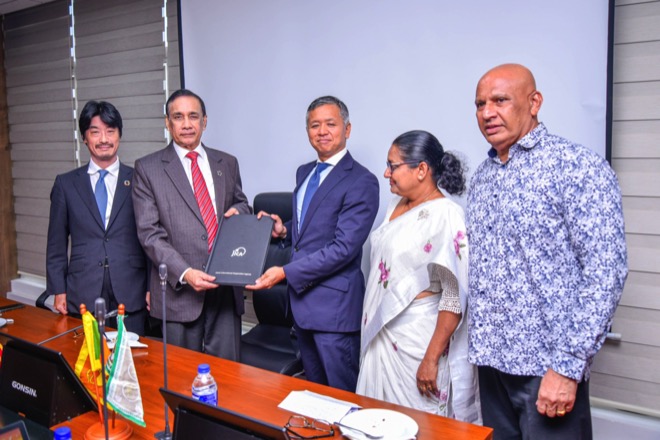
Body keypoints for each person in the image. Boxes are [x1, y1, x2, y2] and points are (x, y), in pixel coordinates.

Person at [467, 63, 628, 439]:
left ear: (534, 102)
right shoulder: (482, 178)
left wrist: (568, 367)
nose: (488, 112)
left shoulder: (577, 166)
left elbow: (606, 272)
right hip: (491, 367)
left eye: (500, 100)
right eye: (480, 104)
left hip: (549, 370)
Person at [247, 96, 379, 392]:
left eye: (330, 124)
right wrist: (284, 230)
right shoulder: (305, 172)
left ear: (347, 129)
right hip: (301, 306)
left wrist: (284, 272)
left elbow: (343, 249)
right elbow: (311, 227)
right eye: (315, 125)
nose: (322, 131)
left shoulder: (362, 181)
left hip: (334, 311)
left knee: (342, 396)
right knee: (315, 396)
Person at [355, 130, 481, 422]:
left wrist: (431, 359)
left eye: (393, 165)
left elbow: (453, 296)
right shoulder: (395, 205)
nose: (386, 173)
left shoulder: (446, 215)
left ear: (421, 169)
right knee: (373, 422)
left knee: (415, 425)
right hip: (382, 336)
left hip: (416, 343)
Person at [132, 89, 250, 360]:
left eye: (193, 116)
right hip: (180, 294)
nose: (186, 124)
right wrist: (185, 273)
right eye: (178, 117)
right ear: (167, 122)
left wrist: (238, 211)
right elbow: (149, 234)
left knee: (228, 375)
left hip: (225, 292)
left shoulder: (227, 163)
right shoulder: (148, 168)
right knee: (181, 376)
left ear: (204, 121)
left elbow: (242, 203)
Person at [46, 101, 149, 335]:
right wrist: (58, 290)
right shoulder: (66, 184)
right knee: (86, 356)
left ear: (119, 135)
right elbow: (56, 243)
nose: (104, 139)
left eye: (110, 131)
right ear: (84, 138)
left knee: (133, 355)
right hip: (82, 291)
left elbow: (150, 237)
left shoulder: (140, 180)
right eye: (95, 132)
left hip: (131, 290)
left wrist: (152, 288)